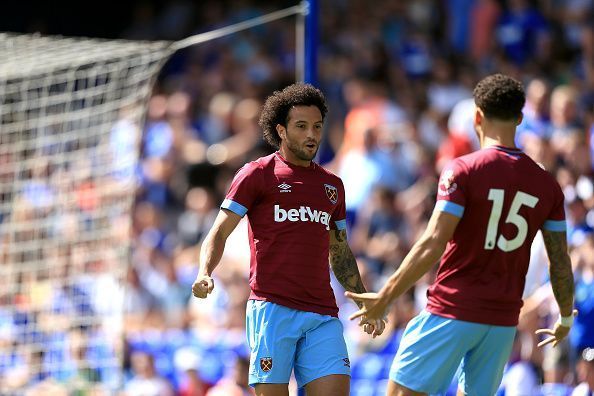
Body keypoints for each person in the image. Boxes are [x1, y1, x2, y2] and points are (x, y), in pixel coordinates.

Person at [345, 74, 576, 396]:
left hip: (453, 308)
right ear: (520, 118)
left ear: (477, 115)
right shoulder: (548, 185)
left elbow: (433, 242)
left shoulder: (463, 169)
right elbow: (560, 262)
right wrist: (565, 316)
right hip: (501, 322)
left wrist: (386, 297)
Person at [192, 83, 384, 396]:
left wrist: (362, 297)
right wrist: (204, 272)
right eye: (301, 126)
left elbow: (339, 250)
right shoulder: (257, 174)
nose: (312, 135)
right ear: (281, 130)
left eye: (317, 127)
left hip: (323, 314)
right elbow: (219, 232)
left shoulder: (332, 186)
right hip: (272, 310)